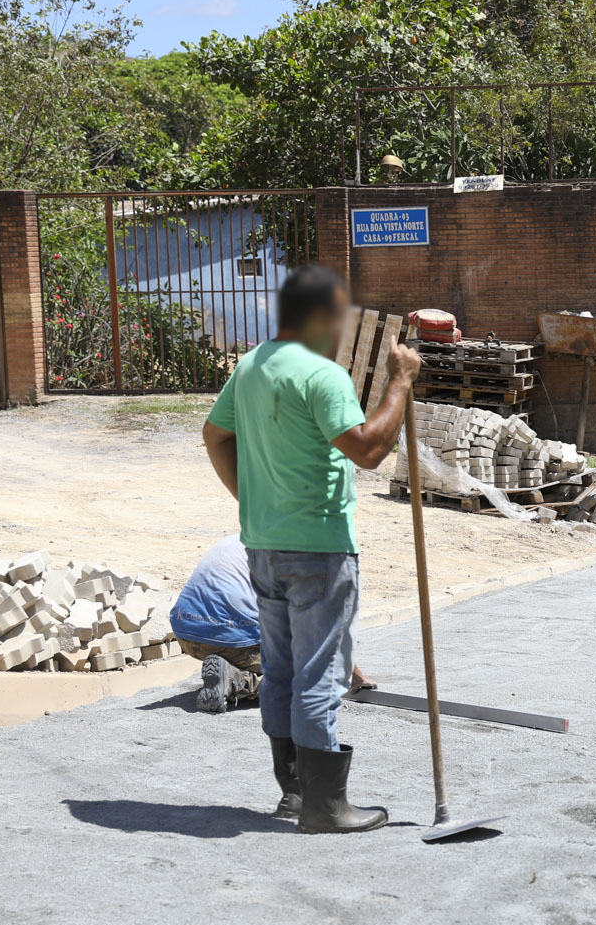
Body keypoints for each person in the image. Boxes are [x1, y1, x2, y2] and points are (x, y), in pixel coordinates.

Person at [203, 265, 421, 834]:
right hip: (320, 550)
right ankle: (327, 808)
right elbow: (369, 450)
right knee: (319, 673)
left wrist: (251, 499)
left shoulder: (251, 365)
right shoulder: (323, 376)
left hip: (265, 545)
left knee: (280, 672)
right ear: (322, 318)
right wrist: (401, 380)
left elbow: (214, 434)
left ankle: (295, 794)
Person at [170, 534, 376, 714]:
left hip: (185, 632)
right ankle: (238, 681)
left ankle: (230, 664)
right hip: (230, 641)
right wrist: (354, 675)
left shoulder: (239, 541)